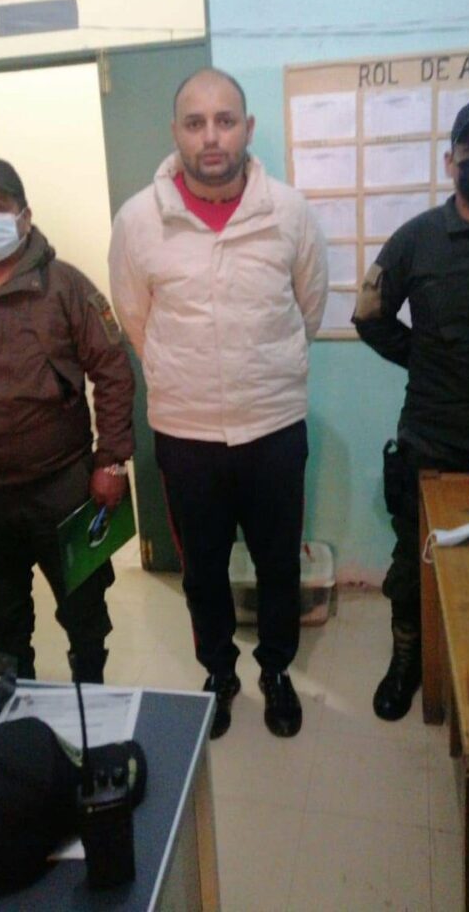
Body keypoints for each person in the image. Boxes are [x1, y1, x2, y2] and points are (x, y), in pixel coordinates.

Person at [109, 68, 328, 738]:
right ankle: (220, 672)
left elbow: (308, 310)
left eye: (225, 120)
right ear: (175, 131)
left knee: (277, 563)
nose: (211, 137)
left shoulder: (289, 211)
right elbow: (136, 319)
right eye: (195, 122)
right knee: (201, 570)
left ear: (247, 128)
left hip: (273, 427)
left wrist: (260, 369)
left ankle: (277, 669)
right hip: (186, 434)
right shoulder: (138, 221)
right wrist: (187, 376)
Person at [0, 156, 135, 682]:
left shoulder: (66, 286)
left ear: (24, 217)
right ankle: (16, 694)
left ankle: (90, 688)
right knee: (1, 616)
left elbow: (113, 372)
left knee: (84, 606)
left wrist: (112, 461)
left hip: (64, 487)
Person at [352, 96, 469, 720]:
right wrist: (423, 359)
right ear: (451, 161)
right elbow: (368, 314)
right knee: (415, 558)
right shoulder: (417, 238)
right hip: (432, 433)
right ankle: (406, 659)